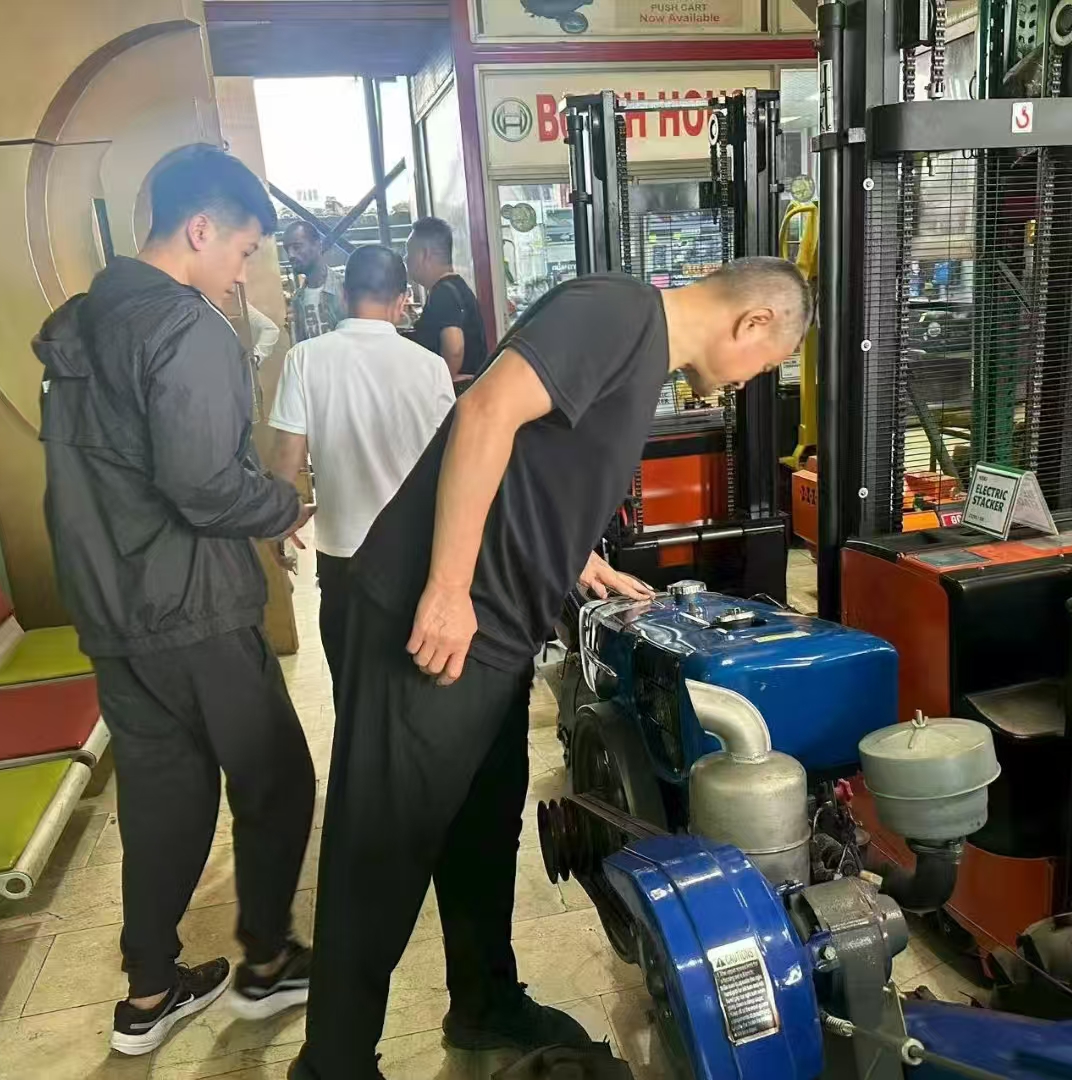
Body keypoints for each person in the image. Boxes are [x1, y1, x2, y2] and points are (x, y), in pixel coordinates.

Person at [292, 257, 812, 1080]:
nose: (752, 381)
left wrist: (575, 556)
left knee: (481, 826)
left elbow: (538, 464)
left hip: (496, 630)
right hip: (435, 622)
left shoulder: (641, 354)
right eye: (767, 363)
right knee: (382, 847)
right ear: (753, 324)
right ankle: (332, 1065)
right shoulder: (618, 311)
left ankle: (484, 1004)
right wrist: (447, 588)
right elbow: (485, 411)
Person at [34, 144, 318, 1057]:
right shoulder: (185, 326)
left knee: (165, 795)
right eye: (243, 252)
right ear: (200, 229)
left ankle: (149, 991)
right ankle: (266, 963)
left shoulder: (79, 324)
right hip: (191, 605)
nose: (242, 274)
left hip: (111, 609)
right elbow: (202, 486)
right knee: (277, 778)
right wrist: (284, 506)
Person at [268, 245, 455, 705]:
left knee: (353, 692)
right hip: (415, 555)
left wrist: (276, 522)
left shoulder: (305, 359)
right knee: (416, 692)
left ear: (344, 295)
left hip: (343, 558)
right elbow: (452, 465)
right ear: (401, 300)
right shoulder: (430, 367)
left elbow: (287, 456)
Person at [405, 216, 487, 380]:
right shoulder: (456, 286)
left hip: (456, 392)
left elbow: (455, 349)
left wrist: (444, 383)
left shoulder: (443, 293)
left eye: (409, 252)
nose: (406, 259)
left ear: (424, 254)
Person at [283, 220, 347, 342]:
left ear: (317, 245)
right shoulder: (298, 300)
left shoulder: (345, 287)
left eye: (297, 247)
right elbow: (301, 346)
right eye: (287, 249)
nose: (291, 255)